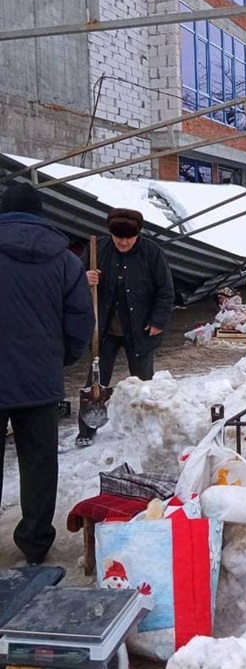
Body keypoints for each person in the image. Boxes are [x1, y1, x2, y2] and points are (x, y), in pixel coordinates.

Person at [0, 182, 94, 564]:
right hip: (40, 379)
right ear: (40, 215)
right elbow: (80, 319)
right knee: (39, 463)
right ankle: (35, 543)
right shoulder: (66, 261)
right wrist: (62, 358)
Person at [76, 208, 175, 447]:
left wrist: (158, 320)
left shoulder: (152, 252)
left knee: (143, 380)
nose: (122, 242)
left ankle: (146, 425)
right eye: (118, 237)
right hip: (104, 330)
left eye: (128, 238)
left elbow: (165, 290)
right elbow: (71, 279)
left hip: (140, 328)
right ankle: (87, 427)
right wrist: (84, 278)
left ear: (138, 234)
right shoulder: (97, 248)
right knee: (96, 380)